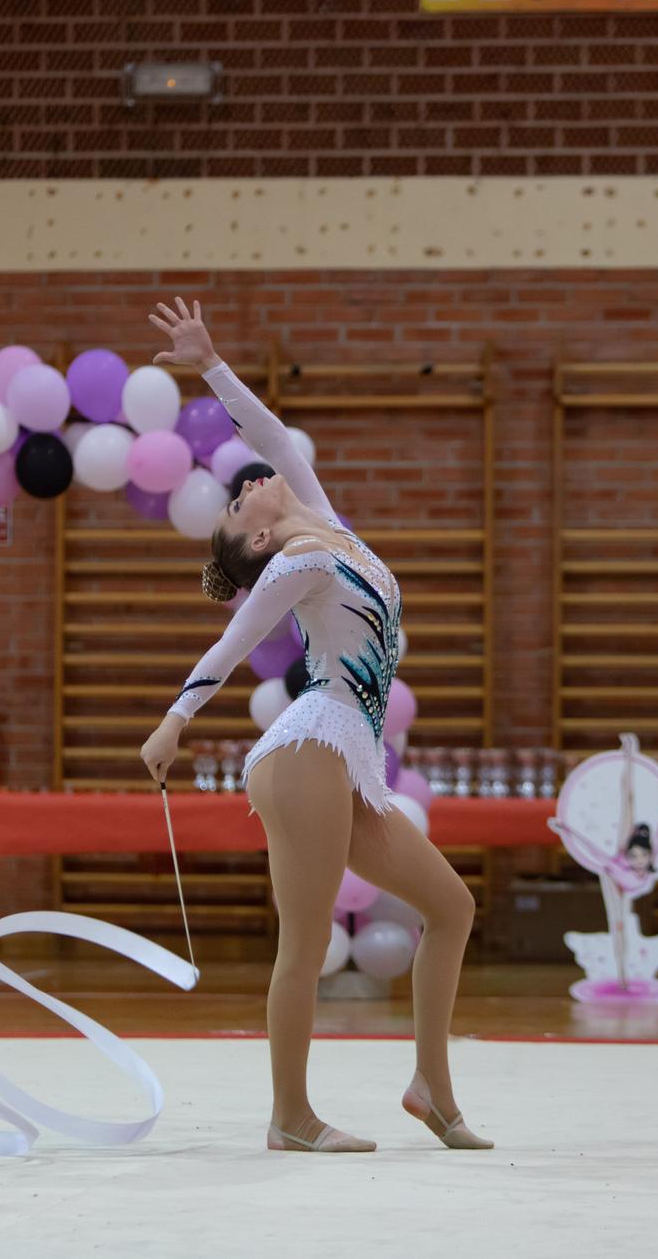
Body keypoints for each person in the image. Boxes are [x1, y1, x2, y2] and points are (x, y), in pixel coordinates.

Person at [138, 298, 490, 1154]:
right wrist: (175, 718)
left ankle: (431, 1090)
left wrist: (211, 362)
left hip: (345, 755)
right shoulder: (295, 562)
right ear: (256, 539)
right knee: (302, 939)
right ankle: (288, 1116)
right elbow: (236, 638)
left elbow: (273, 436)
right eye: (239, 504)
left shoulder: (326, 524)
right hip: (307, 748)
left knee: (451, 906)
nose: (251, 481)